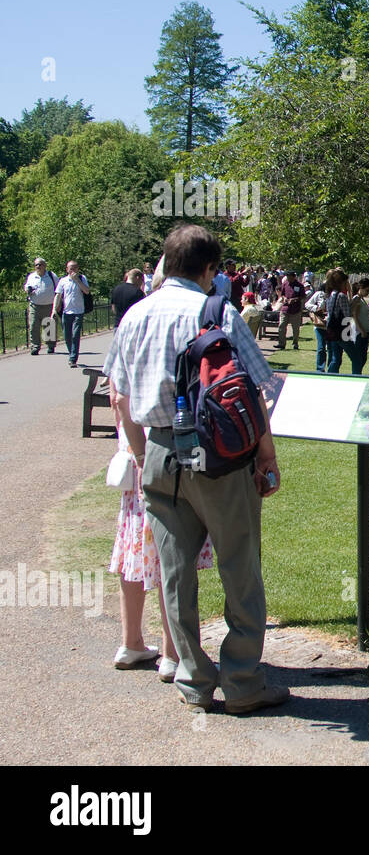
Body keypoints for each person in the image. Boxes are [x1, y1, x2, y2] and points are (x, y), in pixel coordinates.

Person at [103, 223, 289, 715]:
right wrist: (266, 458)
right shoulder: (218, 313)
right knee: (240, 568)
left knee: (175, 573)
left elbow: (118, 395)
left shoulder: (134, 316)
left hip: (160, 455)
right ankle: (244, 681)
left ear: (166, 262)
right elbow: (259, 390)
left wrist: (143, 456)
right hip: (221, 458)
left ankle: (193, 678)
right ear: (210, 269)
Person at [107, 379, 214, 681]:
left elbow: (118, 399)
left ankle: (131, 643)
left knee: (135, 550)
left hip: (131, 449)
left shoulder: (127, 336)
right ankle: (172, 653)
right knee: (171, 550)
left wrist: (129, 443)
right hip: (159, 448)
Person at [55, 261, 92, 367]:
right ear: (67, 269)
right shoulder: (63, 281)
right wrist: (54, 309)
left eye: (75, 268)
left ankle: (73, 358)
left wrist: (77, 280)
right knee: (67, 336)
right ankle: (72, 352)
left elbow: (86, 291)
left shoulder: (82, 278)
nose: (73, 270)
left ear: (78, 269)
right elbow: (58, 295)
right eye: (71, 268)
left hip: (78, 312)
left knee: (75, 335)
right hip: (66, 312)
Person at [24, 257, 59, 355]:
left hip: (49, 305)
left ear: (45, 265)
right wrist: (28, 290)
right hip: (34, 306)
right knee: (33, 326)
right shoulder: (31, 276)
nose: (38, 266)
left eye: (40, 264)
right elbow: (26, 287)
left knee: (49, 326)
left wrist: (57, 305)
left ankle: (51, 346)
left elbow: (58, 289)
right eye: (36, 265)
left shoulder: (51, 276)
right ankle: (35, 346)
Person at [342, 278, 369, 374]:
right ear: (361, 288)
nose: (368, 293)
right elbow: (354, 316)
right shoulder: (357, 299)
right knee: (359, 359)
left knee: (362, 358)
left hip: (364, 331)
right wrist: (362, 331)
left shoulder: (361, 299)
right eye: (367, 290)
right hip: (359, 332)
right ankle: (356, 375)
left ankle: (357, 374)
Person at [321, 268, 349, 373]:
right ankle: (331, 375)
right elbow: (347, 315)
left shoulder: (330, 294)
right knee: (337, 358)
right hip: (339, 330)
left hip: (330, 328)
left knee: (332, 354)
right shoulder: (341, 296)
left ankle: (331, 374)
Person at [276, 270, 306, 351]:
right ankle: (281, 343)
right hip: (285, 309)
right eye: (287, 277)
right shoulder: (285, 284)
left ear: (293, 277)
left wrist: (295, 299)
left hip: (295, 309)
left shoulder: (299, 285)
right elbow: (282, 294)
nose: (288, 278)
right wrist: (284, 298)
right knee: (281, 326)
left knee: (295, 328)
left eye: (289, 277)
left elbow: (303, 296)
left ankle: (295, 343)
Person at [303, 277, 328, 372]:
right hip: (320, 324)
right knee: (321, 347)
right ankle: (320, 369)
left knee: (330, 348)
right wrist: (316, 308)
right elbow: (307, 304)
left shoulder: (334, 295)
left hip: (330, 324)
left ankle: (330, 369)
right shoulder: (319, 294)